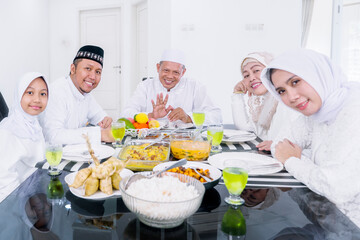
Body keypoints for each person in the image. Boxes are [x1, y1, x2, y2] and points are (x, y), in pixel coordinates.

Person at [260, 48, 360, 227]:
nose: (291, 97)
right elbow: (279, 144)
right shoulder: (318, 113)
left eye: (296, 81)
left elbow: (336, 187)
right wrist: (297, 160)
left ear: (318, 74)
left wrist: (293, 160)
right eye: (281, 91)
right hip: (324, 219)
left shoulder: (354, 111)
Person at [121, 49, 222, 125]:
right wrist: (151, 115)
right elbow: (125, 114)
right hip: (151, 141)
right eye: (166, 70)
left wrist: (188, 117)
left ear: (183, 72)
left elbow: (217, 116)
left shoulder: (195, 86)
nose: (169, 76)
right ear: (158, 68)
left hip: (185, 142)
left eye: (176, 72)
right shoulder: (145, 86)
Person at [41, 45, 113, 145]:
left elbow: (100, 117)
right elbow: (53, 136)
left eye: (98, 72)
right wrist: (99, 135)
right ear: (73, 69)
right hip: (51, 158)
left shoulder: (85, 94)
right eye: (88, 68)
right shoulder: (57, 91)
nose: (93, 77)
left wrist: (106, 121)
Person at [232, 52, 300, 151]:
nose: (251, 78)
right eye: (246, 75)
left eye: (256, 70)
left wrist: (275, 144)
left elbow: (299, 141)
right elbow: (247, 131)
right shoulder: (265, 104)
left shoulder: (285, 101)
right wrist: (237, 95)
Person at [0, 72, 49, 203]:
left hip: (35, 193)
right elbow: (5, 181)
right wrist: (20, 206)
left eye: (43, 94)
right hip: (14, 202)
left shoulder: (33, 123)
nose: (37, 99)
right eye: (30, 93)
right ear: (19, 94)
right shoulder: (8, 130)